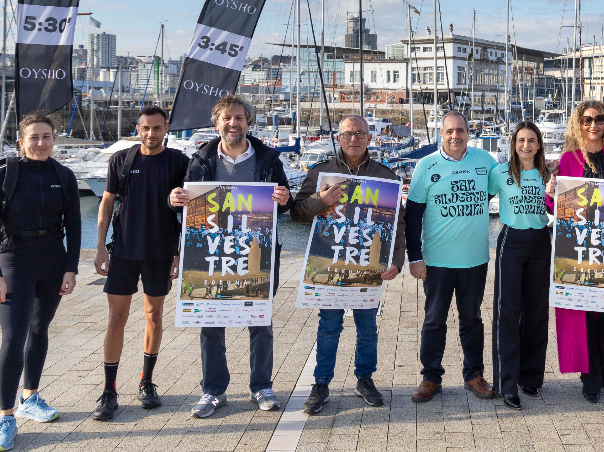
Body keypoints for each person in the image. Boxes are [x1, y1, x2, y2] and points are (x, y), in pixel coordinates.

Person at [169, 94, 292, 419]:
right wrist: (174, 199)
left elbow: (284, 203)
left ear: (248, 123)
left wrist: (285, 197)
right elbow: (187, 206)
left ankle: (261, 386)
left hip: (256, 255)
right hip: (211, 255)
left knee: (259, 322)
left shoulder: (268, 160)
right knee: (210, 323)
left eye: (239, 118)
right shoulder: (200, 160)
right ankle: (213, 391)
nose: (233, 124)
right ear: (217, 122)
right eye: (227, 118)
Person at [290, 115, 407, 415]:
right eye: (347, 134)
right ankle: (321, 384)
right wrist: (320, 200)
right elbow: (298, 214)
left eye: (359, 134)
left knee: (367, 328)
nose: (353, 139)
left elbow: (399, 224)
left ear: (369, 138)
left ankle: (364, 379)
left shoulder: (385, 176)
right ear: (338, 138)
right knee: (329, 326)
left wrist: (396, 261)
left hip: (368, 266)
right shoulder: (321, 172)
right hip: (330, 266)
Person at [0, 110, 81, 452]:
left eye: (46, 137)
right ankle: (6, 417)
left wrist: (71, 269)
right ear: (21, 142)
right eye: (33, 138)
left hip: (51, 260)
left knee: (39, 330)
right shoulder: (6, 174)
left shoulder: (63, 175)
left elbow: (75, 227)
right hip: (13, 260)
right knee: (13, 337)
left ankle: (31, 397)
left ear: (54, 139)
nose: (41, 143)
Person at [90, 106, 190, 421]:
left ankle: (147, 382)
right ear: (138, 128)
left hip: (160, 251)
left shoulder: (178, 162)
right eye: (146, 128)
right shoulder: (121, 160)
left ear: (166, 129)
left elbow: (191, 210)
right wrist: (99, 248)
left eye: (157, 128)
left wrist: (179, 253)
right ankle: (109, 390)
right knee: (116, 318)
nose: (151, 134)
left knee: (154, 316)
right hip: (123, 250)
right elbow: (107, 202)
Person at [544, 100, 604, 403]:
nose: (593, 125)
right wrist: (550, 193)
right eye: (586, 120)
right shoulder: (569, 159)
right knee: (585, 310)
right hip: (579, 247)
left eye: (599, 119)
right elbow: (557, 205)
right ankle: (590, 375)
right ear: (579, 124)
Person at [406, 111, 499, 403]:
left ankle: (474, 375)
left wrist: (544, 171)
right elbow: (412, 217)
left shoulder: (486, 162)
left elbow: (509, 186)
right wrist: (414, 258)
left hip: (474, 260)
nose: (455, 136)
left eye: (460, 130)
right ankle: (430, 378)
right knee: (434, 321)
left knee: (472, 320)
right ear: (441, 134)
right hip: (436, 262)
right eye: (449, 131)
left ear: (468, 133)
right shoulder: (426, 166)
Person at [487, 121, 552, 410]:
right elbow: (479, 201)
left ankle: (531, 378)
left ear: (539, 145)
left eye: (532, 140)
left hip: (541, 242)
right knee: (508, 312)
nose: (526, 145)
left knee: (537, 312)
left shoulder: (549, 174)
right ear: (514, 143)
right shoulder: (500, 173)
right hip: (510, 243)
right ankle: (507, 382)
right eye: (521, 140)